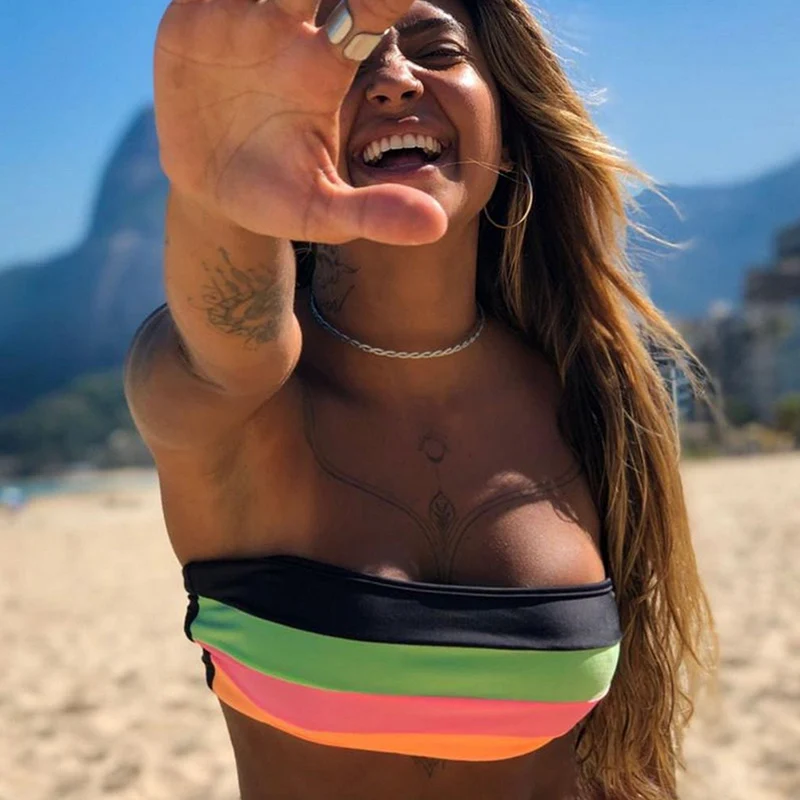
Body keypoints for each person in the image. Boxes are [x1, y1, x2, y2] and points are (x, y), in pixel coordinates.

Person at [125, 0, 715, 797]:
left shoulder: (591, 388)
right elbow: (227, 342)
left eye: (438, 51)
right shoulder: (242, 402)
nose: (395, 78)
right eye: (350, 60)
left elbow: (614, 759)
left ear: (508, 122)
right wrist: (216, 200)